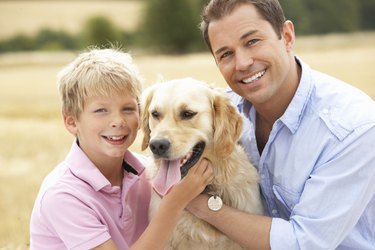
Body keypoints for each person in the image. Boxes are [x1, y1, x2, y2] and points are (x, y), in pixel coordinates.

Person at [186, 0, 375, 249]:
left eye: (252, 41)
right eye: (226, 54)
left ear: (286, 36)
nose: (242, 63)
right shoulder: (221, 115)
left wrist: (201, 206)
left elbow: (304, 243)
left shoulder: (353, 127)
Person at [29, 47, 213, 250]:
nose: (117, 121)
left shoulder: (149, 173)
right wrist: (174, 203)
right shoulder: (63, 194)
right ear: (72, 122)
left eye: (128, 109)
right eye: (101, 110)